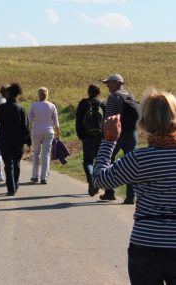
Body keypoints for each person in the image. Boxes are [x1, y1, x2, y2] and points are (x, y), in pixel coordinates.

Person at [93, 90, 176, 284]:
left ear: (145, 121)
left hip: (146, 244)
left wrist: (109, 141)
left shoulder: (139, 159)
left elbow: (100, 180)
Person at [100, 74, 139, 204]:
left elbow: (109, 117)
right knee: (132, 163)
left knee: (108, 159)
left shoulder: (113, 97)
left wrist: (105, 134)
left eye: (109, 83)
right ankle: (130, 196)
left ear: (117, 83)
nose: (107, 85)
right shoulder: (130, 95)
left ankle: (110, 192)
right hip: (132, 133)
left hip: (118, 133)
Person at [0, 83, 31, 196]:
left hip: (4, 139)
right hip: (18, 141)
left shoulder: (1, 107)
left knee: (8, 164)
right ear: (17, 95)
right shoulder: (21, 108)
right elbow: (25, 126)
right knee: (17, 163)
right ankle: (16, 184)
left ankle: (11, 188)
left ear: (8, 94)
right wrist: (28, 142)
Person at [75, 84, 105, 196]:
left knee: (88, 161)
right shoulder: (102, 103)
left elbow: (78, 121)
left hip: (87, 137)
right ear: (99, 92)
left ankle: (91, 180)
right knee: (99, 161)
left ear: (88, 92)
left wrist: (80, 135)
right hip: (101, 137)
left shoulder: (83, 103)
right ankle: (97, 182)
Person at [28, 87, 60, 184]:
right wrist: (58, 133)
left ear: (38, 95)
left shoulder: (33, 105)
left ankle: (34, 176)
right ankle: (44, 177)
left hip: (36, 132)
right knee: (46, 155)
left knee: (36, 153)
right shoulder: (52, 106)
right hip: (49, 132)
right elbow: (56, 123)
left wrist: (29, 132)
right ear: (47, 95)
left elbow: (29, 121)